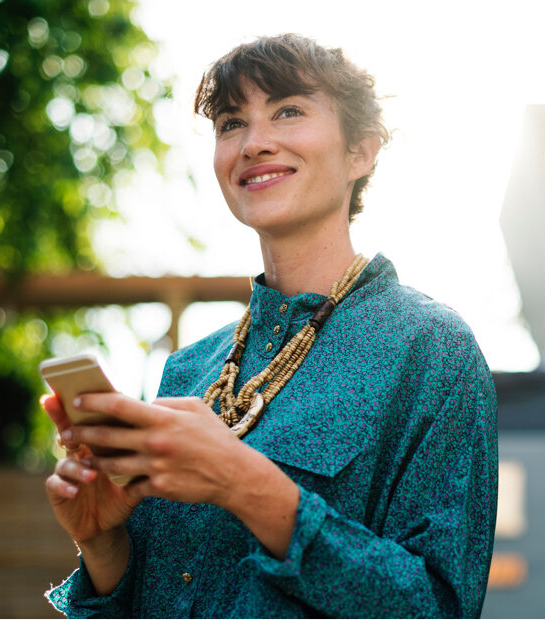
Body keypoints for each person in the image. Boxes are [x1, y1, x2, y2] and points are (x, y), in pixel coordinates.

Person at [43, 33, 498, 618]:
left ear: (361, 151)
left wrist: (244, 484)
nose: (255, 143)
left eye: (288, 111)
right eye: (232, 123)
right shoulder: (188, 369)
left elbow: (437, 608)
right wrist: (104, 546)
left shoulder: (433, 350)